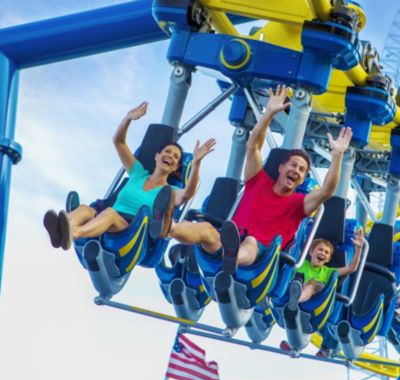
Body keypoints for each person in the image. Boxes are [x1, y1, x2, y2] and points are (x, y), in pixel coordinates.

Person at [150, 85, 353, 273]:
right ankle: (168, 227)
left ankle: (232, 257)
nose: (297, 171)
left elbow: (327, 191)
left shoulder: (299, 204)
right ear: (281, 167)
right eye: (293, 165)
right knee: (206, 230)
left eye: (302, 170)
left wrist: (337, 155)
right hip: (230, 238)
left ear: (301, 181)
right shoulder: (258, 180)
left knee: (251, 243)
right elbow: (253, 147)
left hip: (262, 255)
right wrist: (269, 113)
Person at [43, 101, 216, 250]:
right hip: (107, 218)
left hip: (134, 228)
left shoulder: (169, 191)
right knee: (85, 209)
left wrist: (196, 163)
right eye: (167, 152)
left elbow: (187, 194)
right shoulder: (138, 172)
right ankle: (61, 230)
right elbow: (118, 142)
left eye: (175, 156)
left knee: (109, 213)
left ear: (175, 168)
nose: (170, 156)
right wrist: (127, 118)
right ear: (156, 156)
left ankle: (74, 232)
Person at [280, 230, 365, 356]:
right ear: (311, 252)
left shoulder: (328, 271)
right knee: (296, 280)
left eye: (326, 252)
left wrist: (358, 249)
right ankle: (294, 342)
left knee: (313, 285)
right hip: (300, 293)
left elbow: (351, 268)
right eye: (320, 250)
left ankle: (327, 347)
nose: (322, 253)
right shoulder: (302, 263)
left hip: (319, 300)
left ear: (328, 259)